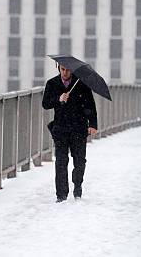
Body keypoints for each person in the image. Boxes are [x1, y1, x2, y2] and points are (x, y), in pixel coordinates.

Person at [42, 63, 98, 202]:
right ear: (58, 68)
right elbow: (45, 104)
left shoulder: (82, 84)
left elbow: (90, 105)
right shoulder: (52, 83)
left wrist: (93, 124)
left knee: (79, 161)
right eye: (62, 69)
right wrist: (58, 99)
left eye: (68, 69)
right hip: (61, 129)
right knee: (61, 161)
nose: (65, 72)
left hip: (79, 128)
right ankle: (61, 194)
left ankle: (77, 186)